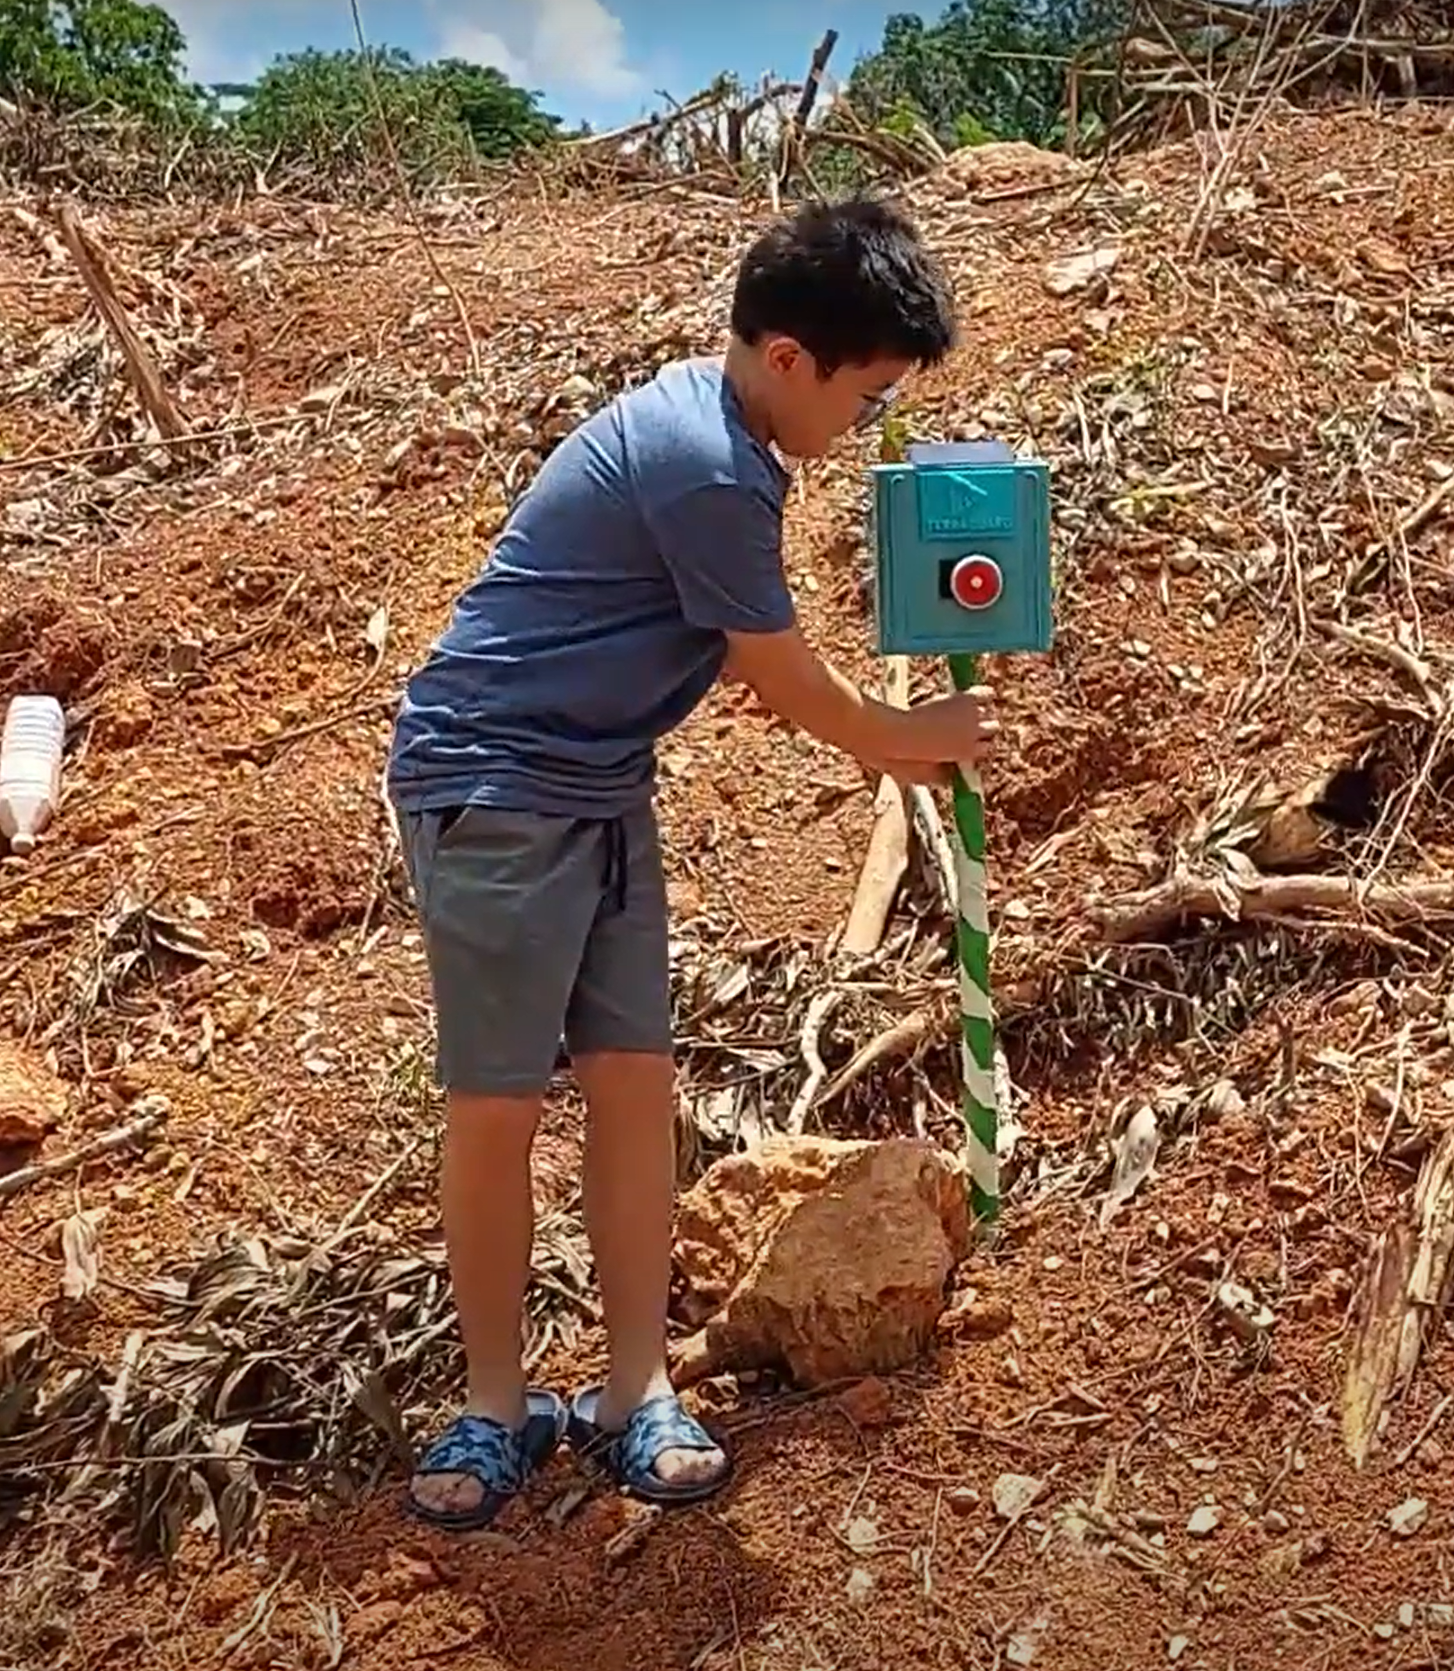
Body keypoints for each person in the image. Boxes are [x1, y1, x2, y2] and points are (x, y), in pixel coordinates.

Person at [381, 196, 995, 1530]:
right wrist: (916, 738)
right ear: (788, 358)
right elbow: (785, 684)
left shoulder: (722, 440)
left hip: (597, 785)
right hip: (495, 785)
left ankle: (630, 1388)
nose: (864, 427)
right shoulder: (703, 462)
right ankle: (493, 1406)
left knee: (632, 1085)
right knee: (496, 1104)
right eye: (868, 393)